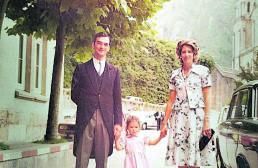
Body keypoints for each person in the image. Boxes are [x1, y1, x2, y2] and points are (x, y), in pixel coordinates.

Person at [71, 32, 123, 168]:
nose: (102, 46)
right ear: (93, 45)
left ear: (108, 48)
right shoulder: (81, 69)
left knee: (102, 159)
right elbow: (74, 94)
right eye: (99, 43)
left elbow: (117, 99)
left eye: (105, 44)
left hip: (106, 119)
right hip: (86, 117)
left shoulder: (114, 71)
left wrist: (118, 122)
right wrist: (87, 105)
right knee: (82, 157)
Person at [160, 39, 214, 167]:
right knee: (181, 158)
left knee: (195, 158)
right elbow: (170, 101)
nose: (186, 54)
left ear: (194, 54)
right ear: (180, 54)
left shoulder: (203, 72)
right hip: (179, 119)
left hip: (196, 119)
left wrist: (207, 121)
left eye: (189, 51)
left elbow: (208, 98)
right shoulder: (175, 75)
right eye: (183, 51)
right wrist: (164, 123)